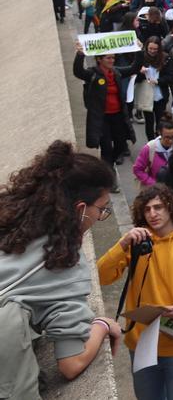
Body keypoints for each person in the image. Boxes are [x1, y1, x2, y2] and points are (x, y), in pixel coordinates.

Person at [0, 142, 122, 396]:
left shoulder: (12, 216)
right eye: (101, 209)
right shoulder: (66, 267)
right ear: (80, 210)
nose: (101, 217)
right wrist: (101, 325)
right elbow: (71, 364)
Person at [98, 184, 173, 400]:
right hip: (142, 344)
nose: (152, 214)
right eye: (147, 209)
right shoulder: (137, 244)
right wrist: (122, 244)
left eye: (158, 207)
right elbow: (101, 276)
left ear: (171, 208)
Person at [74, 41, 135, 178]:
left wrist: (139, 50)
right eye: (108, 58)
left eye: (113, 58)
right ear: (99, 60)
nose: (111, 60)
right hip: (102, 119)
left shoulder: (117, 72)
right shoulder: (93, 74)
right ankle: (109, 174)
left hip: (118, 116)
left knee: (120, 146)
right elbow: (78, 72)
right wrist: (80, 55)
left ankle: (108, 165)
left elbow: (133, 68)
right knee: (106, 148)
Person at [133, 119, 173, 189]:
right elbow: (137, 169)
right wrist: (152, 183)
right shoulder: (150, 148)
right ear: (159, 133)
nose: (170, 141)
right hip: (155, 191)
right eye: (167, 137)